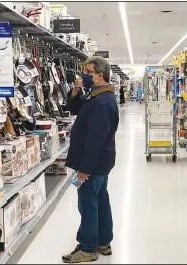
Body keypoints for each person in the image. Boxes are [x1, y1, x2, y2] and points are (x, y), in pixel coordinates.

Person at [63, 56, 119, 263]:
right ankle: (103, 241)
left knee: (88, 204)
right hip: (100, 162)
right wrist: (76, 92)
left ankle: (87, 248)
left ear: (99, 75)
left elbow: (95, 139)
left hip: (93, 163)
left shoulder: (103, 102)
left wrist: (85, 168)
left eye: (88, 72)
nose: (84, 75)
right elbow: (76, 110)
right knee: (101, 200)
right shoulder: (96, 96)